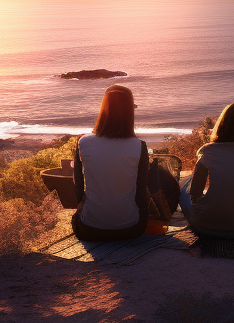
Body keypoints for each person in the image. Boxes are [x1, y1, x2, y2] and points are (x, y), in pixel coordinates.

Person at [73, 85, 178, 241]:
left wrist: (82, 205)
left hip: (88, 229)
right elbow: (141, 194)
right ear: (130, 112)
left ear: (103, 109)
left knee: (78, 215)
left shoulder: (83, 142)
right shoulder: (139, 146)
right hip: (132, 228)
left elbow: (79, 188)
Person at [180, 103, 234, 238]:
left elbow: (195, 193)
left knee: (182, 190)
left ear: (221, 125)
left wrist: (207, 208)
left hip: (203, 226)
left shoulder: (207, 151)